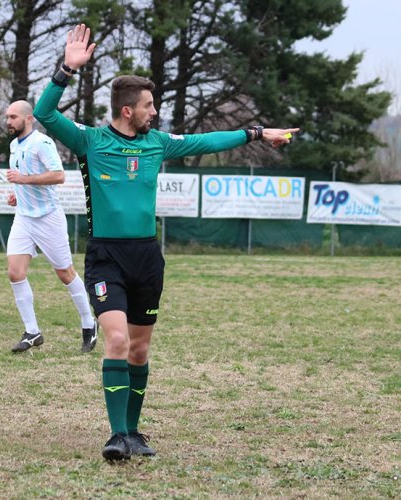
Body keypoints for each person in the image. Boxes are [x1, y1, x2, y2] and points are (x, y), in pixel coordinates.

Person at [34, 24, 299, 461]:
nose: (154, 111)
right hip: (106, 256)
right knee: (116, 340)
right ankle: (117, 435)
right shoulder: (91, 141)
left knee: (139, 348)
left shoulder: (157, 143)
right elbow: (45, 114)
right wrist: (66, 69)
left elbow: (207, 140)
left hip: (146, 258)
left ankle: (134, 432)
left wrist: (257, 132)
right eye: (148, 105)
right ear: (126, 111)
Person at [5, 100, 98, 353]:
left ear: (28, 119)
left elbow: (59, 176)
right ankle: (32, 332)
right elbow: (22, 177)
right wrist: (17, 192)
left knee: (65, 273)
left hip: (48, 217)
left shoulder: (43, 143)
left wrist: (23, 180)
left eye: (13, 117)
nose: (8, 121)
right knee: (15, 272)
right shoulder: (14, 145)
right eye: (7, 117)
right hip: (24, 217)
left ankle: (89, 324)